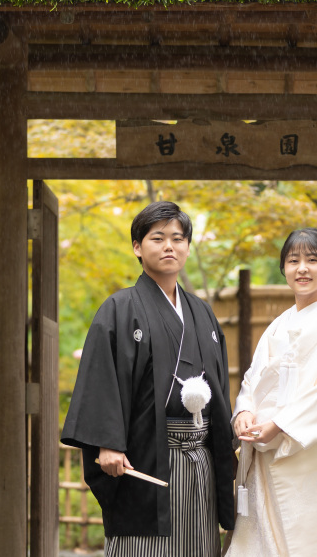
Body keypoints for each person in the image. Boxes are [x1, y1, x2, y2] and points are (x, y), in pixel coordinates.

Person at [61, 201, 235, 556]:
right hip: (145, 456)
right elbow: (101, 380)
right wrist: (108, 442)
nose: (169, 246)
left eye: (178, 238)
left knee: (196, 544)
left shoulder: (202, 312)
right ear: (137, 247)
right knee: (143, 544)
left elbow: (218, 384)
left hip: (198, 457)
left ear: (187, 246)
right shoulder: (119, 308)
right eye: (158, 238)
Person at [225, 228, 317, 557]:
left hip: (309, 448)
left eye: (312, 260)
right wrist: (245, 412)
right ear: (284, 268)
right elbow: (253, 378)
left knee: (314, 539)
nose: (302, 268)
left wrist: (281, 424)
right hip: (265, 449)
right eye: (293, 261)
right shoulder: (277, 324)